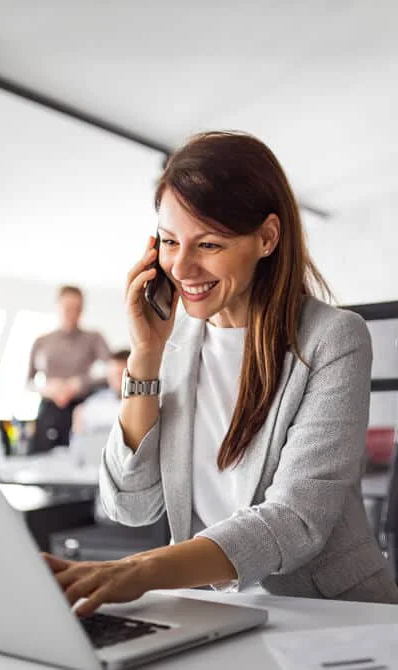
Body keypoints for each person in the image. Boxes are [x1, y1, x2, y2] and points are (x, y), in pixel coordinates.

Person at [43, 130, 398, 616]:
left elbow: (296, 521)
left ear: (267, 238)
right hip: (207, 611)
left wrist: (142, 570)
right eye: (169, 241)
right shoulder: (172, 341)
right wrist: (145, 356)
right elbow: (129, 506)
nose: (182, 266)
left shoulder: (333, 338)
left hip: (324, 612)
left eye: (208, 244)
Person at [27, 285, 111, 452]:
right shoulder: (42, 341)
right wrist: (47, 389)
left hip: (80, 409)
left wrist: (80, 383)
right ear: (58, 306)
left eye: (77, 308)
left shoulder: (93, 338)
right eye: (67, 308)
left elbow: (113, 372)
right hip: (49, 408)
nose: (72, 313)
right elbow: (28, 382)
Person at [71, 349, 130, 436]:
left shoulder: (148, 403)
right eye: (111, 375)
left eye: (119, 375)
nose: (115, 380)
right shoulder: (96, 401)